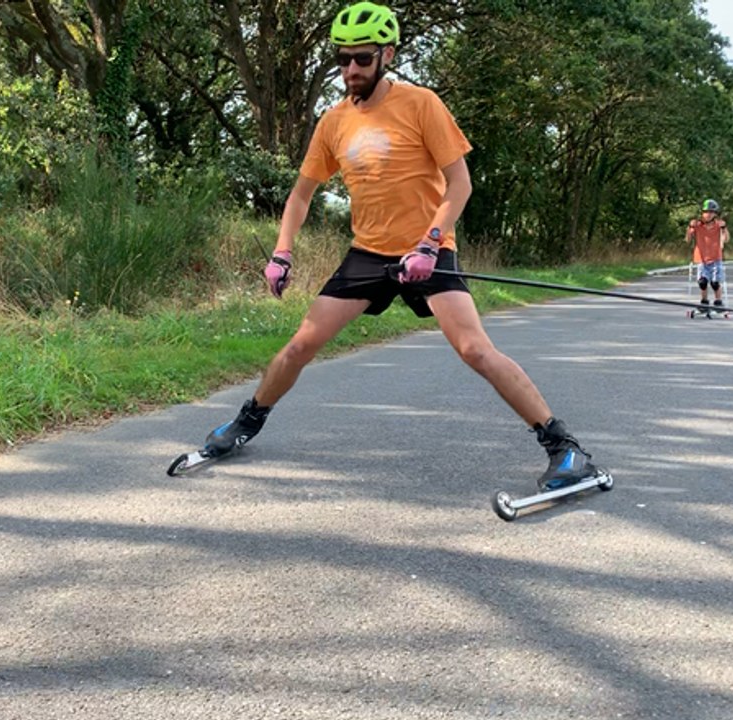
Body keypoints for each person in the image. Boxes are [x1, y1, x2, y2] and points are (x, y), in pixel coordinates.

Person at [200, 1, 601, 492]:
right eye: (343, 59)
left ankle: (566, 449)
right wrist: (282, 252)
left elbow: (460, 184)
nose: (351, 69)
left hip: (425, 250)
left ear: (387, 54)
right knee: (301, 344)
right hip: (368, 253)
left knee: (475, 350)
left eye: (363, 59)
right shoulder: (333, 122)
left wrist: (430, 244)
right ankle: (246, 423)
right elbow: (301, 193)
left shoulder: (421, 103)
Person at [686, 199, 728, 308]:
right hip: (701, 258)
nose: (707, 215)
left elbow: (726, 239)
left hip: (715, 258)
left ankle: (718, 301)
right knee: (702, 282)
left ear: (715, 214)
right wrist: (690, 227)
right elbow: (687, 239)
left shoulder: (719, 225)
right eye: (705, 212)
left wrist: (724, 228)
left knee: (715, 283)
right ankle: (704, 301)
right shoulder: (698, 225)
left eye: (710, 212)